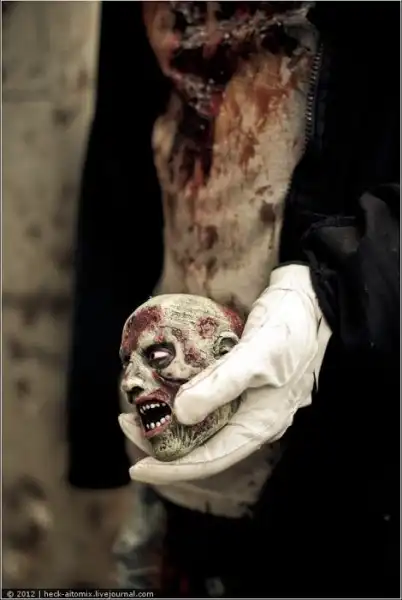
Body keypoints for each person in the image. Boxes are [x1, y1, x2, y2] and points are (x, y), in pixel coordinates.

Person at [67, 2, 400, 597]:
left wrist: (332, 286)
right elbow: (123, 151)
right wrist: (97, 398)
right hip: (176, 458)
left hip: (345, 446)